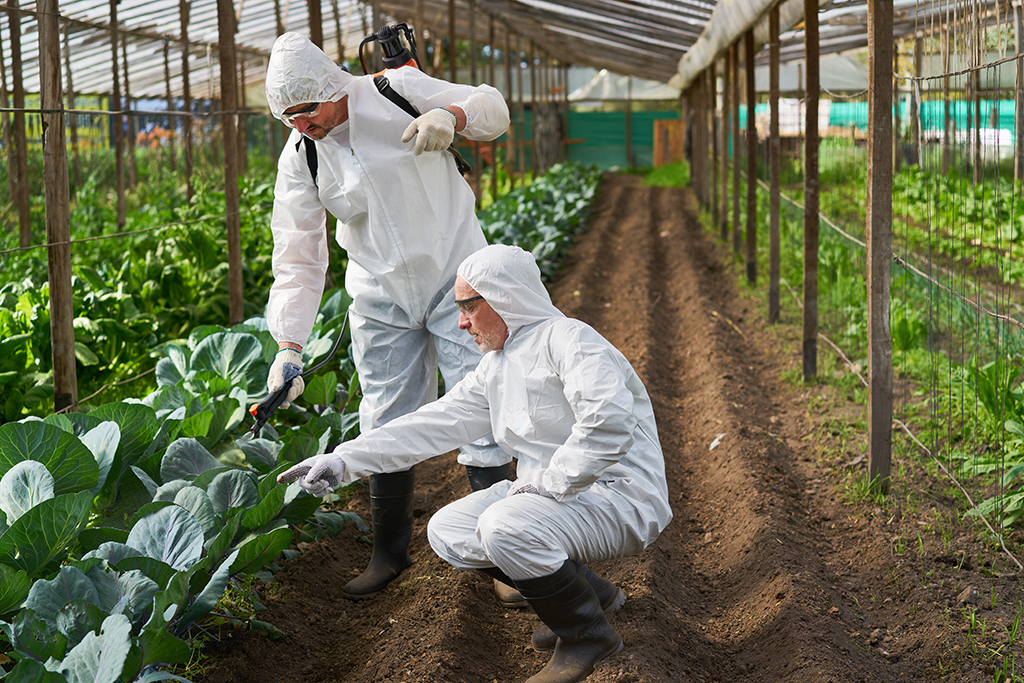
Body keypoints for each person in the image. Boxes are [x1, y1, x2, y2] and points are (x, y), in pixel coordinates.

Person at [279, 244, 672, 683]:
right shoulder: (499, 366)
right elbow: (429, 425)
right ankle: (589, 595)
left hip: (616, 494)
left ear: (506, 297)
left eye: (470, 307)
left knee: (504, 526)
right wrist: (342, 460)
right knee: (449, 531)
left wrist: (552, 482)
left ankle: (587, 637)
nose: (462, 323)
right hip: (550, 495)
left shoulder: (569, 340)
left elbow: (608, 424)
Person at [263, 32, 519, 603]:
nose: (301, 125)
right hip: (379, 296)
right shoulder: (302, 154)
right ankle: (389, 554)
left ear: (332, 87)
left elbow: (493, 108)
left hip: (455, 280)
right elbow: (299, 257)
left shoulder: (395, 89)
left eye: (307, 111)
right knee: (382, 416)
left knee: (484, 407)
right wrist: (289, 347)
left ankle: (508, 557)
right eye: (287, 117)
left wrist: (450, 116)